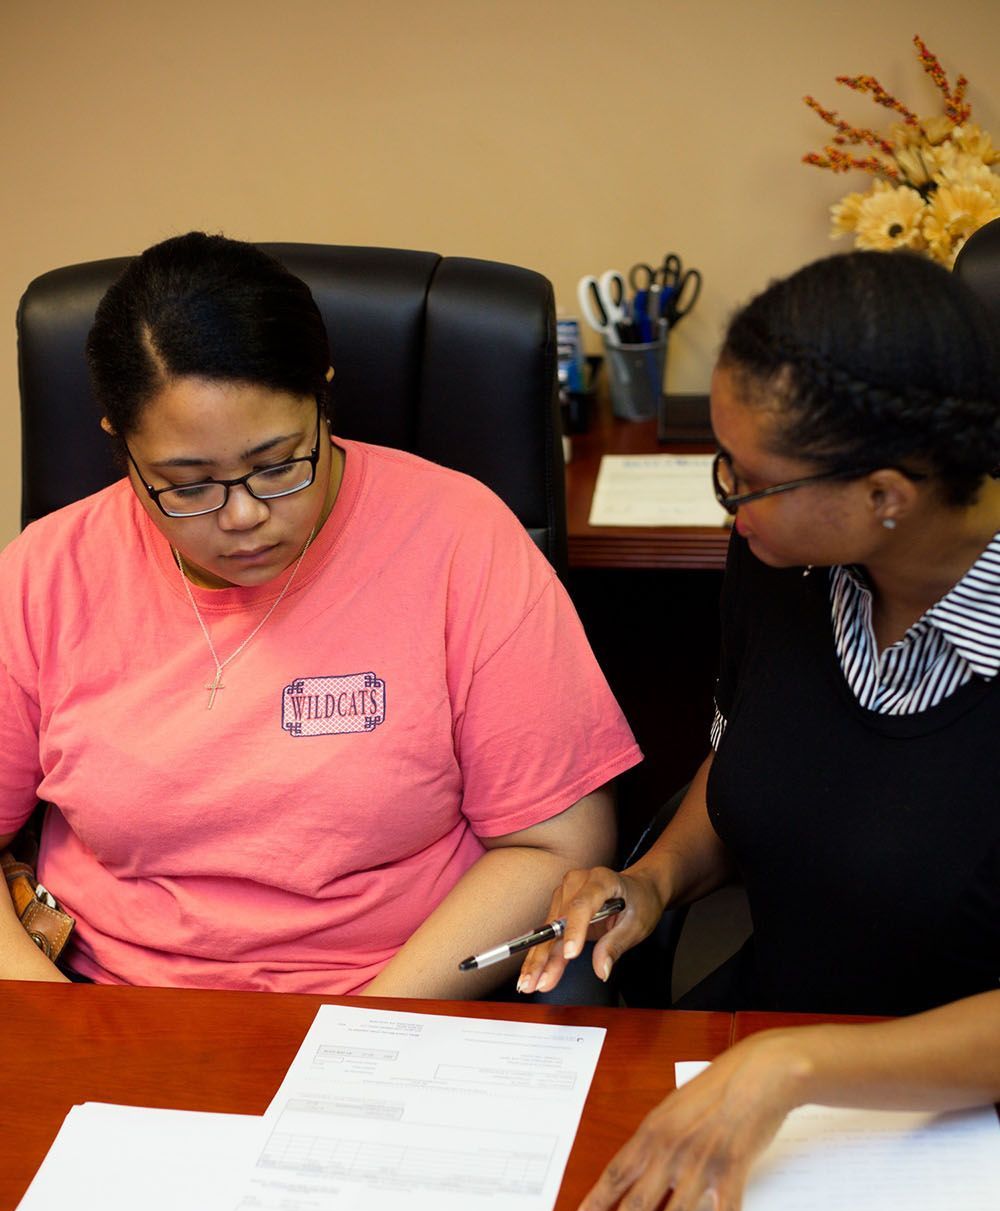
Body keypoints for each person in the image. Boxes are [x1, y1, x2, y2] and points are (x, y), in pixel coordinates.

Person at [516, 249, 1000, 1211]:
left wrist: (793, 1068)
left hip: (955, 1130)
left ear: (885, 494)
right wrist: (651, 880)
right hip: (758, 1053)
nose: (725, 500)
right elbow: (750, 768)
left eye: (748, 477)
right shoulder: (780, 562)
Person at [0, 231, 641, 996]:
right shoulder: (48, 571)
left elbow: (555, 842)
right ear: (121, 444)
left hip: (397, 1001)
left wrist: (365, 1031)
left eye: (277, 466)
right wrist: (47, 1015)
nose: (242, 516)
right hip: (116, 1010)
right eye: (187, 483)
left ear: (323, 397)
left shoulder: (460, 539)